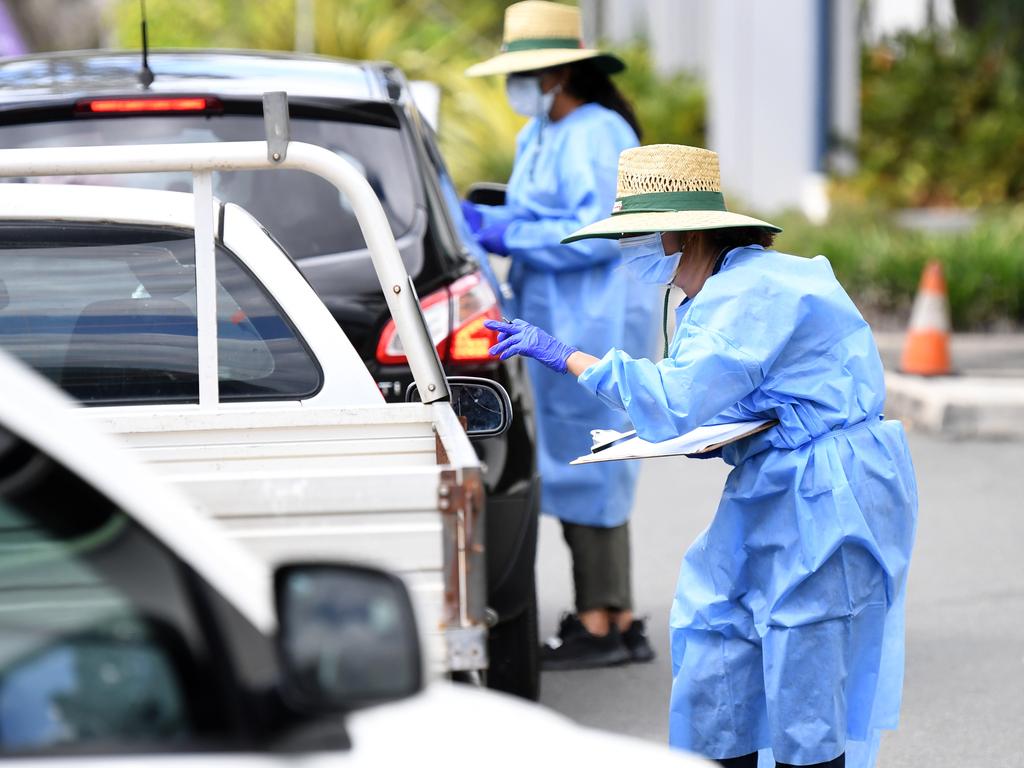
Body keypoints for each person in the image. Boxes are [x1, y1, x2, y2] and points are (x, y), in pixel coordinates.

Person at [484, 143, 918, 768]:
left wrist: (565, 355)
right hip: (779, 478)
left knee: (805, 656)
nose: (631, 247)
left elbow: (673, 397)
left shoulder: (749, 291)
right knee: (717, 630)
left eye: (640, 233)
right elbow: (744, 392)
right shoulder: (725, 287)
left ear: (681, 235)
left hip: (828, 490)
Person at [463, 0, 661, 669]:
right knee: (576, 465)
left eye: (523, 73)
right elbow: (531, 206)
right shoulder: (540, 133)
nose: (512, 85)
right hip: (553, 315)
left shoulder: (600, 132)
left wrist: (505, 233)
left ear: (557, 74)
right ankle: (610, 614)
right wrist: (493, 216)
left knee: (597, 463)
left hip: (597, 315)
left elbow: (595, 233)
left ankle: (605, 624)